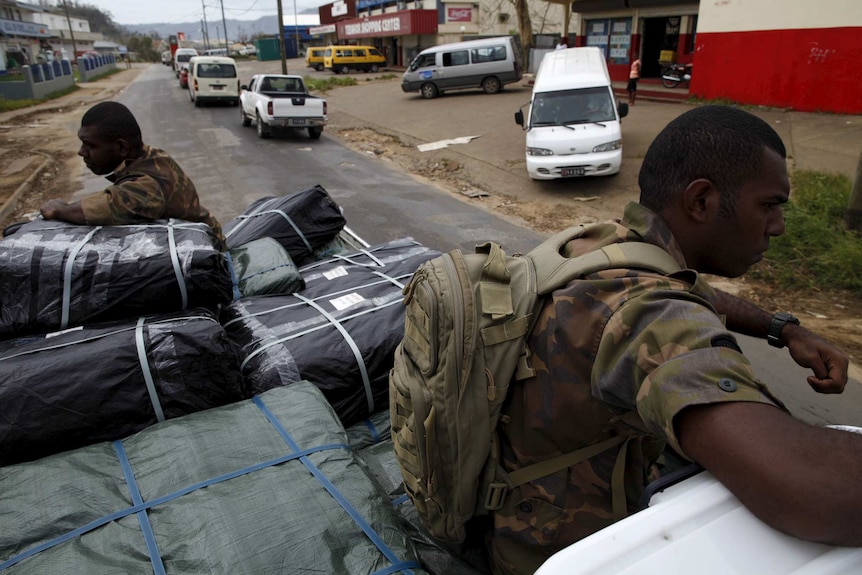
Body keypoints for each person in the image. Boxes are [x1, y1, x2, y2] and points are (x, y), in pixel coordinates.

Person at [489, 105, 862, 575]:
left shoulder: (603, 246)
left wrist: (784, 330)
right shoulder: (652, 315)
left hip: (512, 507)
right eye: (769, 205)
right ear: (701, 201)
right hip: (564, 550)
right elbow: (812, 490)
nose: (778, 227)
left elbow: (690, 287)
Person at [40, 101, 225, 250]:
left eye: (90, 145)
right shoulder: (149, 156)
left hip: (205, 258)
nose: (82, 152)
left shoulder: (147, 183)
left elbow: (110, 206)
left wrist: (60, 209)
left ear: (121, 148)